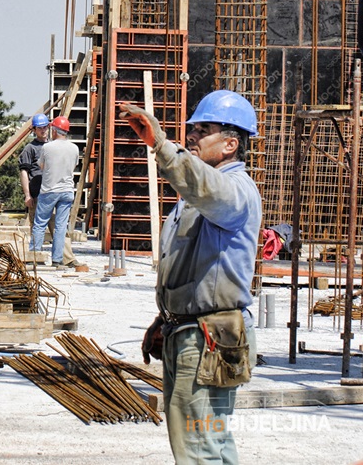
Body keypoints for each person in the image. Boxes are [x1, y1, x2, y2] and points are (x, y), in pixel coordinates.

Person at [121, 90, 261, 464]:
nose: (193, 136)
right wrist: (165, 318)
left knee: (198, 451)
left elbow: (204, 187)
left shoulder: (234, 191)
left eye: (204, 129)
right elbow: (191, 265)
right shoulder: (201, 194)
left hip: (208, 339)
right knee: (211, 444)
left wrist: (163, 146)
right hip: (192, 332)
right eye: (192, 129)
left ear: (231, 143)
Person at [19, 113, 84, 268]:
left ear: (52, 128)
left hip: (49, 191)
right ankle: (38, 257)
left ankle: (63, 258)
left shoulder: (49, 146)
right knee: (43, 225)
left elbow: (43, 166)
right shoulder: (30, 148)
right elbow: (24, 172)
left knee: (56, 227)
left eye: (46, 127)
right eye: (40, 128)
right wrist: (27, 194)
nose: (44, 130)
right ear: (34, 129)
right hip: (39, 193)